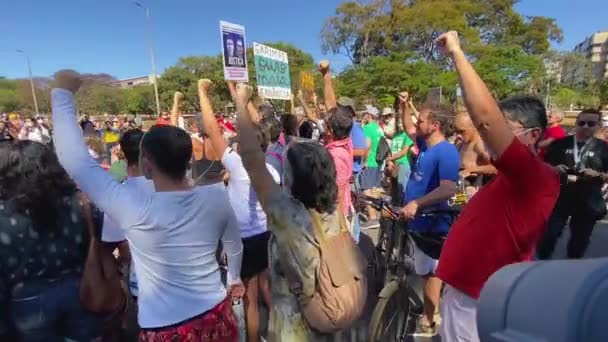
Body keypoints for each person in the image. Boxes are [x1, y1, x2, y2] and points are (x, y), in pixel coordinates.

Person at [51, 71, 243, 341]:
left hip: (166, 330)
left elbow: (76, 161)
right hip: (217, 314)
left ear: (148, 167)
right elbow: (234, 246)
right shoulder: (217, 197)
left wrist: (62, 93)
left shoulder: (131, 206)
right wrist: (234, 278)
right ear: (189, 160)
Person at [432, 31, 560, 342]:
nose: (489, 134)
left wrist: (457, 54)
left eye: (507, 127)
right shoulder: (513, 177)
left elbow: (486, 119)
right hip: (468, 297)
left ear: (532, 135)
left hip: (476, 302)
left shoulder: (534, 175)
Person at [231, 82, 358, 341]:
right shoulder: (333, 208)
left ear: (291, 179)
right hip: (329, 314)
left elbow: (252, 160)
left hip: (295, 328)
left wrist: (241, 104)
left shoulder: (287, 215)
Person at [0, 140, 107, 341]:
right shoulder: (81, 204)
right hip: (82, 290)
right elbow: (100, 241)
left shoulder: (5, 217)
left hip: (28, 300)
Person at [199, 79, 278, 342]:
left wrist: (202, 92)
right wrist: (241, 100)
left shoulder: (235, 164)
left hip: (239, 243)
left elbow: (211, 129)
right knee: (258, 293)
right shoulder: (273, 172)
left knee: (242, 299)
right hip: (264, 238)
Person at [399, 92, 460, 337]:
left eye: (422, 120)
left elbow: (449, 187)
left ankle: (430, 318)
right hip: (418, 223)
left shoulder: (446, 152)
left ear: (435, 125)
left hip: (434, 226)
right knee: (425, 273)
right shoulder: (426, 145)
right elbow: (406, 126)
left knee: (432, 275)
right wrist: (404, 104)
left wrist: (418, 203)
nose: (417, 123)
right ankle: (429, 312)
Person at [538, 109, 608, 259]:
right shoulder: (560, 144)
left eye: (591, 123)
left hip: (588, 199)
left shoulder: (603, 148)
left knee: (579, 241)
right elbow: (541, 165)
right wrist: (554, 169)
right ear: (576, 124)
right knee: (548, 236)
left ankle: (571, 270)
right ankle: (539, 267)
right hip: (560, 196)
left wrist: (598, 175)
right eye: (582, 123)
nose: (586, 126)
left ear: (598, 125)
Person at [454, 111, 496, 197]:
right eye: (456, 131)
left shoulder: (479, 145)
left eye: (461, 131)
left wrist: (470, 170)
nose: (458, 135)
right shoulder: (460, 143)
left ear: (473, 127)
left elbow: (495, 168)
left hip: (474, 189)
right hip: (460, 190)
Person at [387, 102, 414, 206]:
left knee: (402, 188)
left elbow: (403, 152)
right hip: (394, 164)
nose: (399, 123)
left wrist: (389, 158)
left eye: (401, 121)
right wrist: (390, 162)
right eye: (398, 121)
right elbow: (391, 149)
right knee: (394, 189)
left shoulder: (407, 136)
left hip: (403, 164)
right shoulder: (395, 135)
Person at [360, 105, 385, 192]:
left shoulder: (367, 128)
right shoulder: (379, 128)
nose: (364, 115)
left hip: (370, 162)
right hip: (379, 161)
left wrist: (364, 161)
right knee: (375, 190)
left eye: (365, 113)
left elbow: (367, 146)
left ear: (369, 115)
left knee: (367, 191)